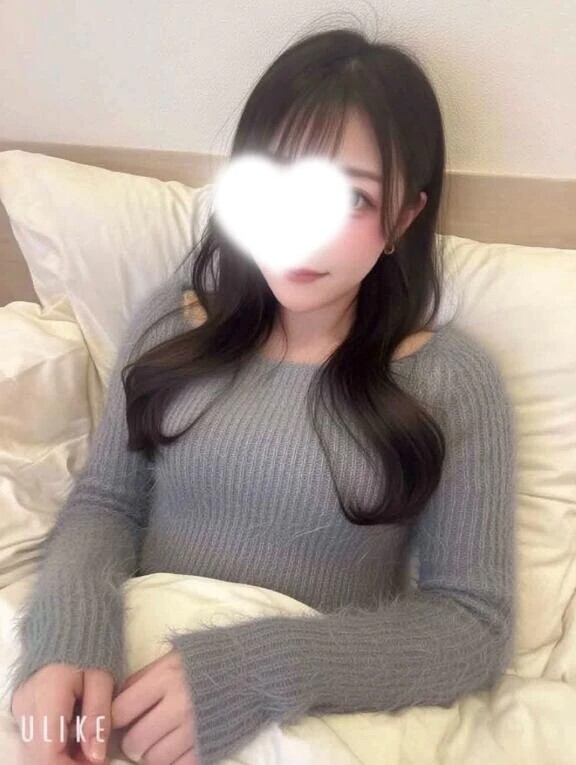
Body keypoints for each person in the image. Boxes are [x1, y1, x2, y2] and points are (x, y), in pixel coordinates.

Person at [7, 25, 517, 765]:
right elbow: (106, 504)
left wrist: (255, 671)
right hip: (120, 685)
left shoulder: (449, 380)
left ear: (405, 218)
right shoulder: (170, 325)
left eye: (350, 197)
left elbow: (472, 622)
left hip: (293, 714)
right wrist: (67, 637)